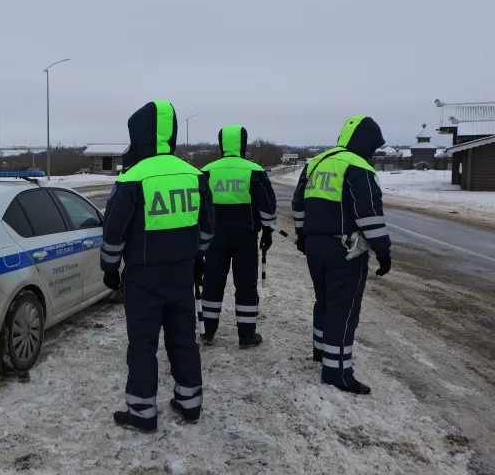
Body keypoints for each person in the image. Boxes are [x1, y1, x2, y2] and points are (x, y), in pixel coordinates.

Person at [100, 100, 215, 432]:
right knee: (183, 340)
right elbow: (208, 228)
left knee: (143, 345)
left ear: (139, 135)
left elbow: (114, 230)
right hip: (181, 274)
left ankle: (142, 414)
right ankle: (190, 404)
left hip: (143, 277)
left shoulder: (133, 179)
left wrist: (109, 267)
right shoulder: (195, 176)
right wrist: (196, 257)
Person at [292, 115, 391, 395]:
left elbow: (298, 206)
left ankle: (322, 352)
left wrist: (302, 236)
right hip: (345, 249)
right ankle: (338, 373)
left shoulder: (316, 163)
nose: (372, 155)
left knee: (324, 301)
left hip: (315, 246)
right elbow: (369, 215)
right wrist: (383, 252)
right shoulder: (358, 168)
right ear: (367, 143)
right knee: (344, 310)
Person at [198, 126, 277, 347]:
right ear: (243, 144)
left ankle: (207, 332)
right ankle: (246, 335)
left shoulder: (207, 171)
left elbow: (200, 207)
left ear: (221, 144)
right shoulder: (254, 171)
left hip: (215, 239)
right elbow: (268, 205)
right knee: (246, 285)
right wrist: (268, 231)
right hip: (246, 238)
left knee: (212, 283)